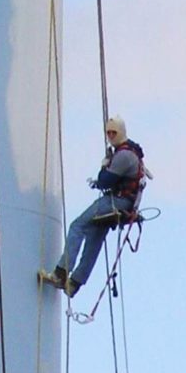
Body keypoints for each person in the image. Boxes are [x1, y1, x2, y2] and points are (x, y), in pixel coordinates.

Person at [41, 116, 147, 297]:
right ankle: (74, 283)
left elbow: (105, 181)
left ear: (121, 132)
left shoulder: (124, 156)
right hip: (124, 203)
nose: (111, 136)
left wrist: (104, 167)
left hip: (117, 201)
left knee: (78, 225)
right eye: (109, 133)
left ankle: (62, 272)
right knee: (94, 238)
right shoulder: (130, 153)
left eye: (114, 132)